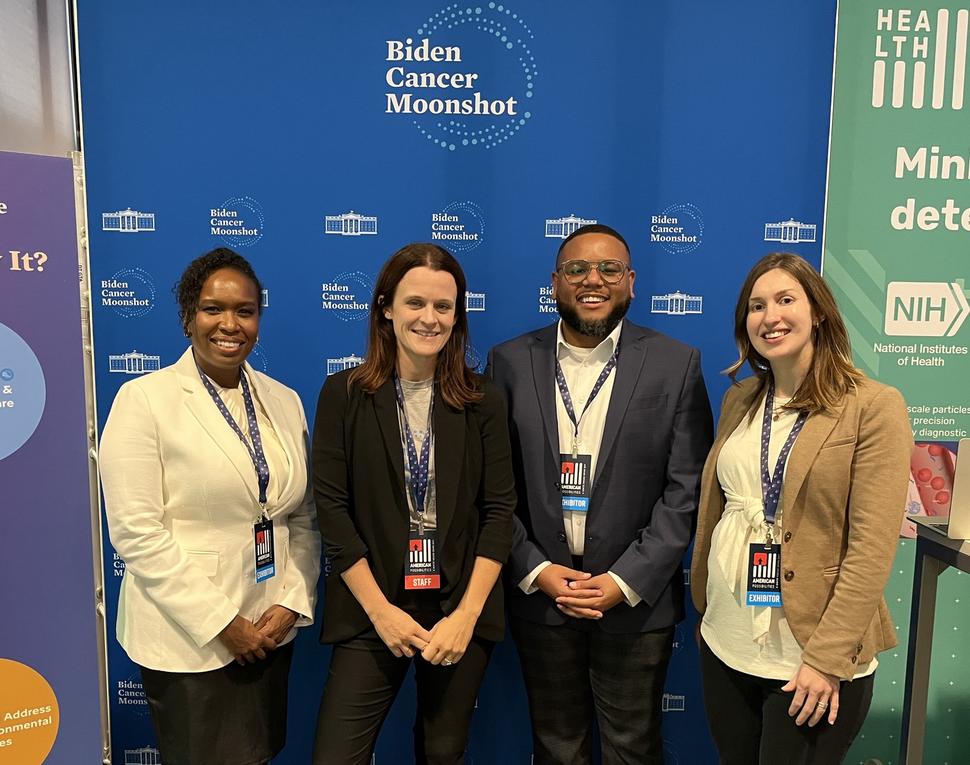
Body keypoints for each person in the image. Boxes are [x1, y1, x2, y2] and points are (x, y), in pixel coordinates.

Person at [487, 223, 713, 764]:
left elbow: (686, 490)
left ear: (631, 282)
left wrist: (624, 580)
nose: (594, 280)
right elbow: (494, 486)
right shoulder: (509, 362)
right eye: (577, 269)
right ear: (555, 283)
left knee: (633, 749)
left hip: (635, 603)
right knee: (556, 748)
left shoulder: (675, 362)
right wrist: (537, 571)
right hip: (543, 597)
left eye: (609, 269)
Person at [99, 248, 320, 765]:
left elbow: (303, 516)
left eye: (245, 311)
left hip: (268, 627)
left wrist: (292, 601)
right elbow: (136, 532)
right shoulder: (144, 399)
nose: (230, 324)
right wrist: (223, 623)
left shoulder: (283, 400)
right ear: (188, 317)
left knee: (260, 754)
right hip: (189, 638)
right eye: (212, 309)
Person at [690, 253, 912, 765]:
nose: (770, 317)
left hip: (810, 657)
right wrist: (710, 615)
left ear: (819, 312)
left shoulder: (872, 406)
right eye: (756, 306)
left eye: (786, 300)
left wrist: (827, 659)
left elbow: (872, 548)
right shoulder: (741, 399)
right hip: (727, 641)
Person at [311, 242, 515, 765]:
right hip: (372, 606)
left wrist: (466, 616)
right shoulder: (344, 395)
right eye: (415, 303)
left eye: (443, 306)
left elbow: (499, 512)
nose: (430, 318)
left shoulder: (483, 399)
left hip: (457, 606)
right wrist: (382, 613)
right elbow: (332, 511)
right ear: (386, 308)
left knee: (442, 752)